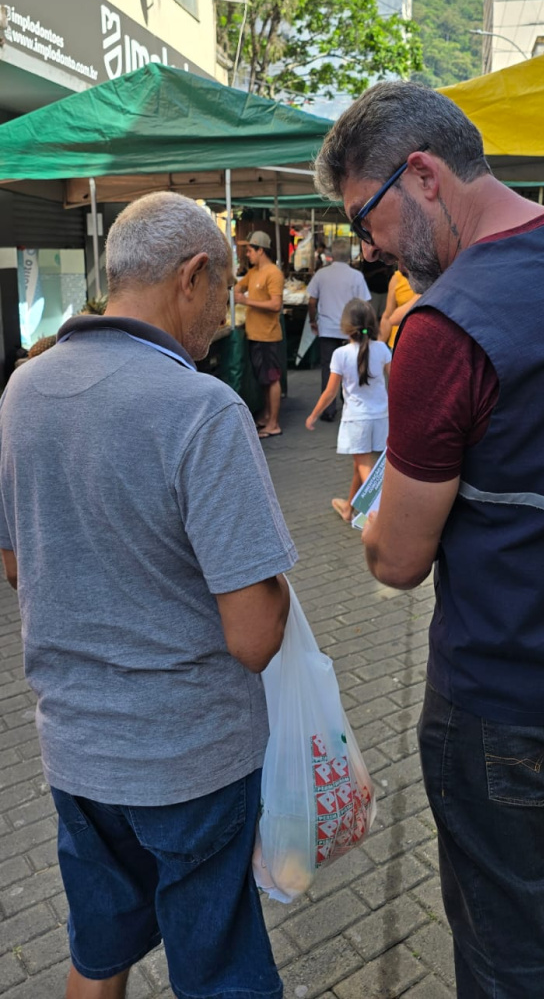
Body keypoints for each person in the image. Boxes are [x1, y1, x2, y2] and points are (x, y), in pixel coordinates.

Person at [313, 80, 544, 999]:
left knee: (508, 945)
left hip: (503, 695)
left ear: (424, 175)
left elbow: (397, 562)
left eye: (367, 220)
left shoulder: (448, 327)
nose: (369, 251)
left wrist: (373, 521)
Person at [0, 193, 295, 999]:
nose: (229, 317)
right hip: (189, 763)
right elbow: (256, 636)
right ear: (192, 277)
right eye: (228, 292)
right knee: (220, 973)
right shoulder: (202, 409)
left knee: (98, 955)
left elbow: (20, 568)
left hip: (76, 754)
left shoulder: (22, 391)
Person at [306, 298, 391, 522]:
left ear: (345, 326)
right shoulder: (382, 349)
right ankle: (348, 509)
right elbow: (397, 381)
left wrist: (313, 415)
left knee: (364, 466)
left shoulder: (340, 355)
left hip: (357, 421)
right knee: (359, 464)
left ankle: (378, 515)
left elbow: (330, 393)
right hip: (382, 417)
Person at [307, 237, 371, 422]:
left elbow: (311, 302)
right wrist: (365, 329)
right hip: (350, 330)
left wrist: (313, 320)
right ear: (348, 255)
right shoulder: (356, 276)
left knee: (328, 368)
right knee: (352, 366)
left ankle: (328, 410)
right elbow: (365, 304)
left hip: (327, 328)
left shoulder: (321, 274)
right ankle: (351, 405)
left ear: (331, 254)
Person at [234, 230, 285, 438]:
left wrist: (246, 301)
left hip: (267, 335)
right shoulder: (253, 272)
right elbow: (237, 286)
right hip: (255, 334)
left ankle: (274, 423)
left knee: (272, 379)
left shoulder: (273, 273)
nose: (247, 254)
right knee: (263, 378)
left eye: (249, 250)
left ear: (260, 250)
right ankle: (266, 415)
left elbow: (275, 304)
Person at [379, 268, 419, 348]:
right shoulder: (397, 277)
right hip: (396, 345)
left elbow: (394, 318)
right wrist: (378, 347)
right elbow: (387, 316)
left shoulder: (438, 278)